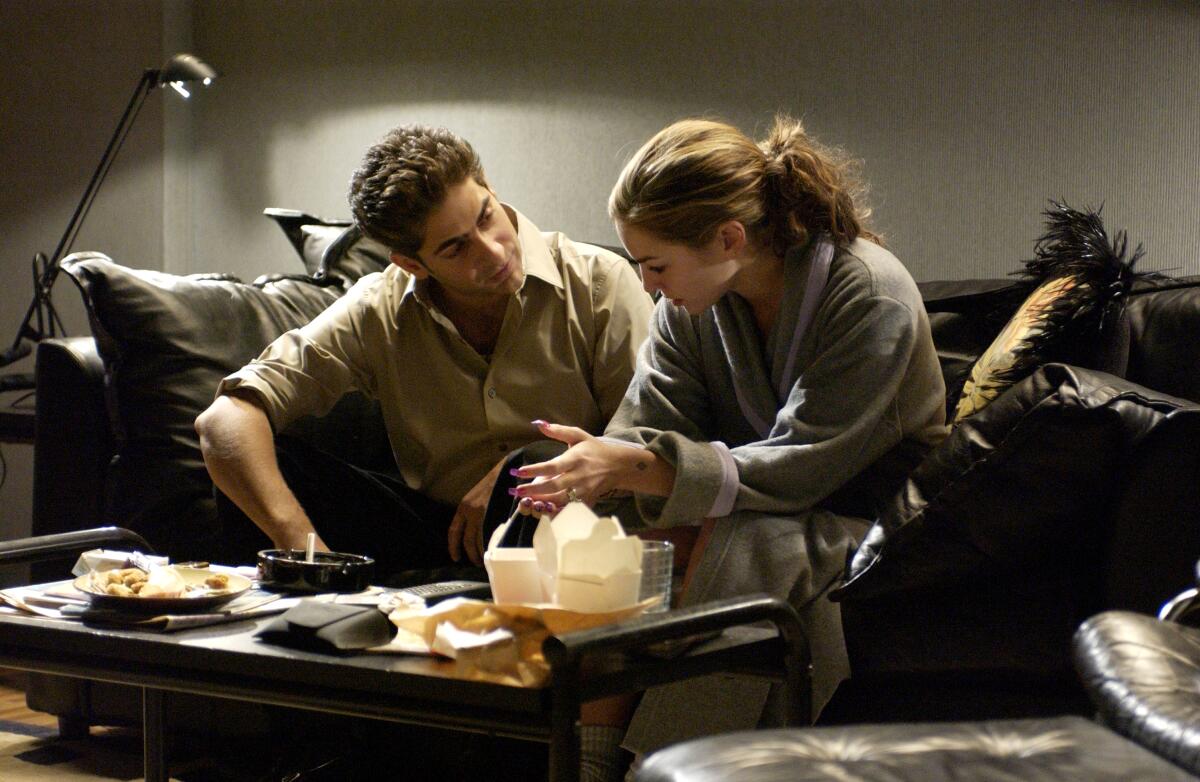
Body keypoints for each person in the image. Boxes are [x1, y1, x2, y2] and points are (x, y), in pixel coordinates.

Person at [513, 116, 949, 762]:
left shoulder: (868, 293)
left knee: (726, 544)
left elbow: (805, 463)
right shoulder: (688, 312)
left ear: (728, 237)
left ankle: (668, 764)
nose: (646, 285)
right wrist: (592, 476)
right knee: (631, 545)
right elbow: (648, 426)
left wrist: (635, 466)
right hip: (757, 507)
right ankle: (591, 762)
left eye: (656, 264)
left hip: (869, 519)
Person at [195, 124, 654, 579]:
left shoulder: (599, 283)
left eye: (485, 216)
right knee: (264, 465)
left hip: (575, 529)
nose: (493, 253)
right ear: (413, 264)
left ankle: (447, 588)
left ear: (490, 188)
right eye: (456, 248)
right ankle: (293, 627)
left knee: (529, 462)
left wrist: (520, 474)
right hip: (441, 535)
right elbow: (224, 420)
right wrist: (299, 543)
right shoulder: (379, 306)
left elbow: (641, 449)